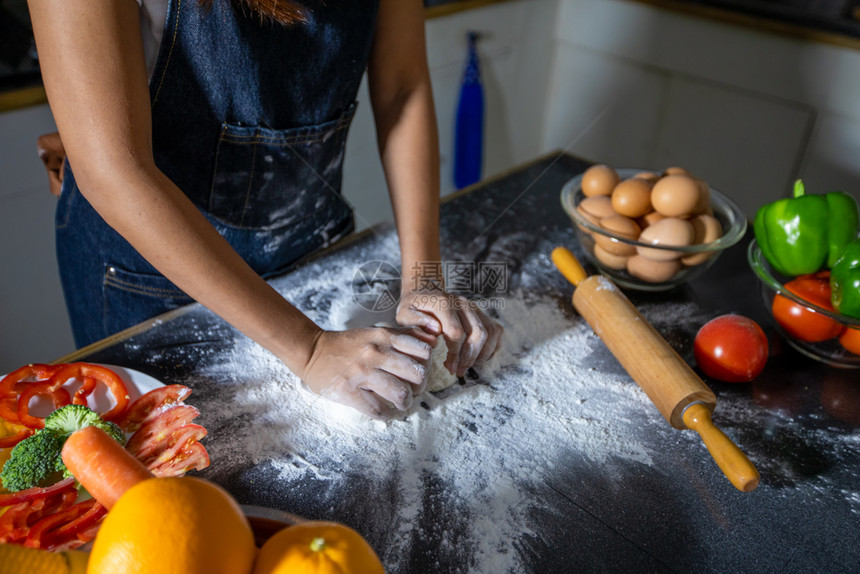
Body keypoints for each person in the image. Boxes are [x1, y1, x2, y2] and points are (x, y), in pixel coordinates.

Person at [28, 0, 503, 418]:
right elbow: (113, 170)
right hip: (148, 276)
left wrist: (423, 276)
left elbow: (402, 89)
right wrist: (311, 348)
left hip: (309, 242)